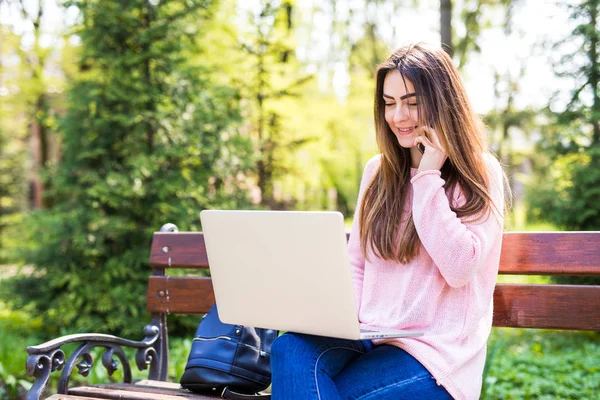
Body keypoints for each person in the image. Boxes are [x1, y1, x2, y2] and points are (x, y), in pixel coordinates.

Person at [269, 43, 508, 400]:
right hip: (369, 337)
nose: (398, 116)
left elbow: (460, 268)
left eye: (412, 102)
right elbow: (356, 264)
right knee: (289, 350)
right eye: (389, 102)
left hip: (435, 355)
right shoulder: (377, 172)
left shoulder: (479, 172)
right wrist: (340, 318)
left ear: (443, 101)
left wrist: (428, 177)